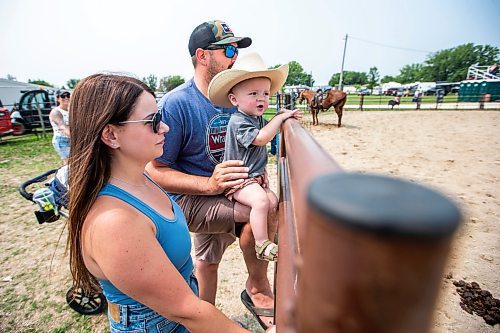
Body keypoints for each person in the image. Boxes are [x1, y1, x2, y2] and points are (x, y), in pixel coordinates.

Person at [66, 73, 270, 333]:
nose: (165, 128)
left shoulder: (143, 181)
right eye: (154, 121)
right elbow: (187, 310)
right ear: (111, 135)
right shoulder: (114, 221)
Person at [145, 20, 275, 329]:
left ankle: (203, 319)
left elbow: (250, 142)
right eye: (229, 50)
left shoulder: (237, 97)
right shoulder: (177, 104)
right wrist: (209, 183)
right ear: (203, 56)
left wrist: (259, 171)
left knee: (206, 260)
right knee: (263, 209)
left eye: (236, 51)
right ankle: (257, 289)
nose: (234, 57)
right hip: (193, 197)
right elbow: (155, 168)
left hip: (227, 189)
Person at [207, 52, 302, 262]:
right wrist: (280, 119)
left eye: (266, 94)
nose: (261, 98)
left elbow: (268, 127)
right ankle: (261, 244)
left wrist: (280, 116)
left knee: (272, 200)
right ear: (234, 100)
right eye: (253, 94)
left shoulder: (255, 117)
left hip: (254, 178)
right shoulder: (238, 121)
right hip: (239, 180)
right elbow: (260, 139)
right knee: (260, 201)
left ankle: (271, 235)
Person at [49, 91, 71, 164]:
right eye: (63, 96)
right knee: (68, 163)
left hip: (71, 139)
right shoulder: (56, 112)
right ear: (58, 99)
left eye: (68, 96)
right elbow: (62, 127)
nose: (66, 98)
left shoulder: (70, 111)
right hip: (62, 140)